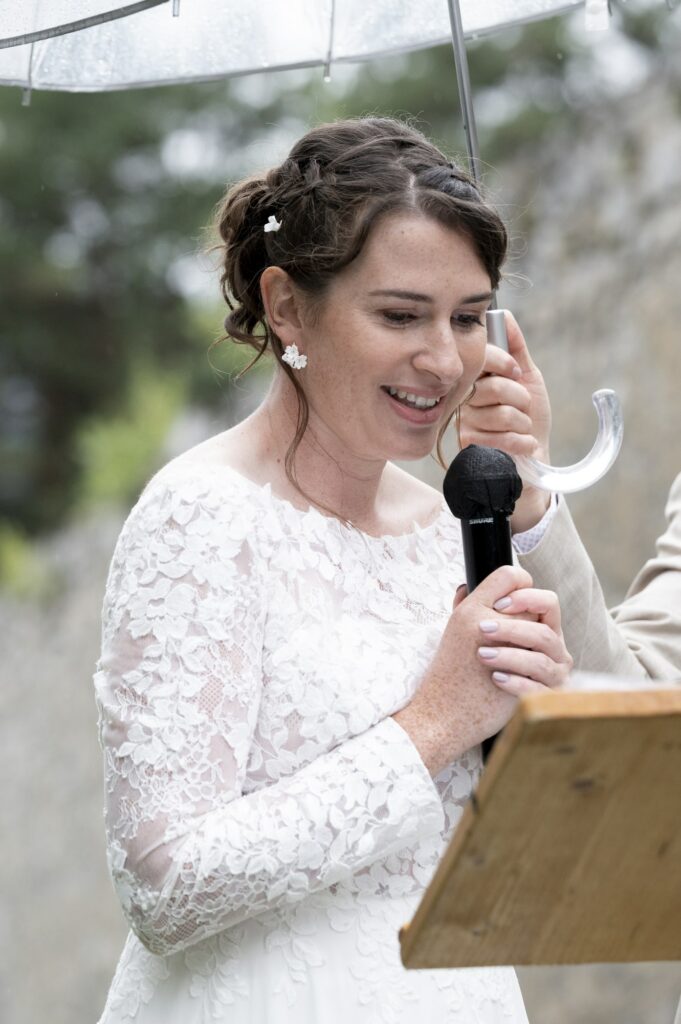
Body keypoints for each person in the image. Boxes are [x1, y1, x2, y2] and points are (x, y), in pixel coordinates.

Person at [93, 116, 586, 1024]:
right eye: (400, 314)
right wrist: (433, 722)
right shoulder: (202, 516)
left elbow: (514, 858)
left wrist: (529, 727)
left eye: (468, 316)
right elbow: (160, 886)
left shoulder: (453, 525)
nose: (443, 359)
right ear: (286, 307)